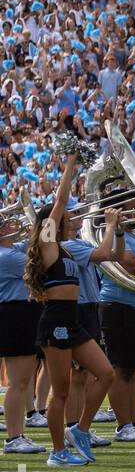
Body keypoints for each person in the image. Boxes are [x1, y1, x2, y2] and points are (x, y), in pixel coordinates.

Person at [26, 149, 121, 466]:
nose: (67, 219)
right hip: (55, 321)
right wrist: (69, 165)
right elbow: (61, 201)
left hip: (73, 320)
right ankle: (57, 452)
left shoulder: (65, 251)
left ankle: (80, 430)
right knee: (62, 392)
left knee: (106, 373)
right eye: (59, 218)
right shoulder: (48, 246)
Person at [95, 184, 135, 444]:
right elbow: (130, 264)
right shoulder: (108, 235)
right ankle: (123, 425)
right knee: (122, 370)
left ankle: (133, 421)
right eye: (132, 207)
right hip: (121, 309)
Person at [0, 190, 43, 454]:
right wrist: (36, 233)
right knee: (19, 381)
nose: (11, 225)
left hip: (19, 314)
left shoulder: (11, 250)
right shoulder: (7, 256)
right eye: (6, 224)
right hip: (14, 314)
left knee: (23, 380)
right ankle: (14, 438)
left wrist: (30, 231)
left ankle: (18, 435)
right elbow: (39, 262)